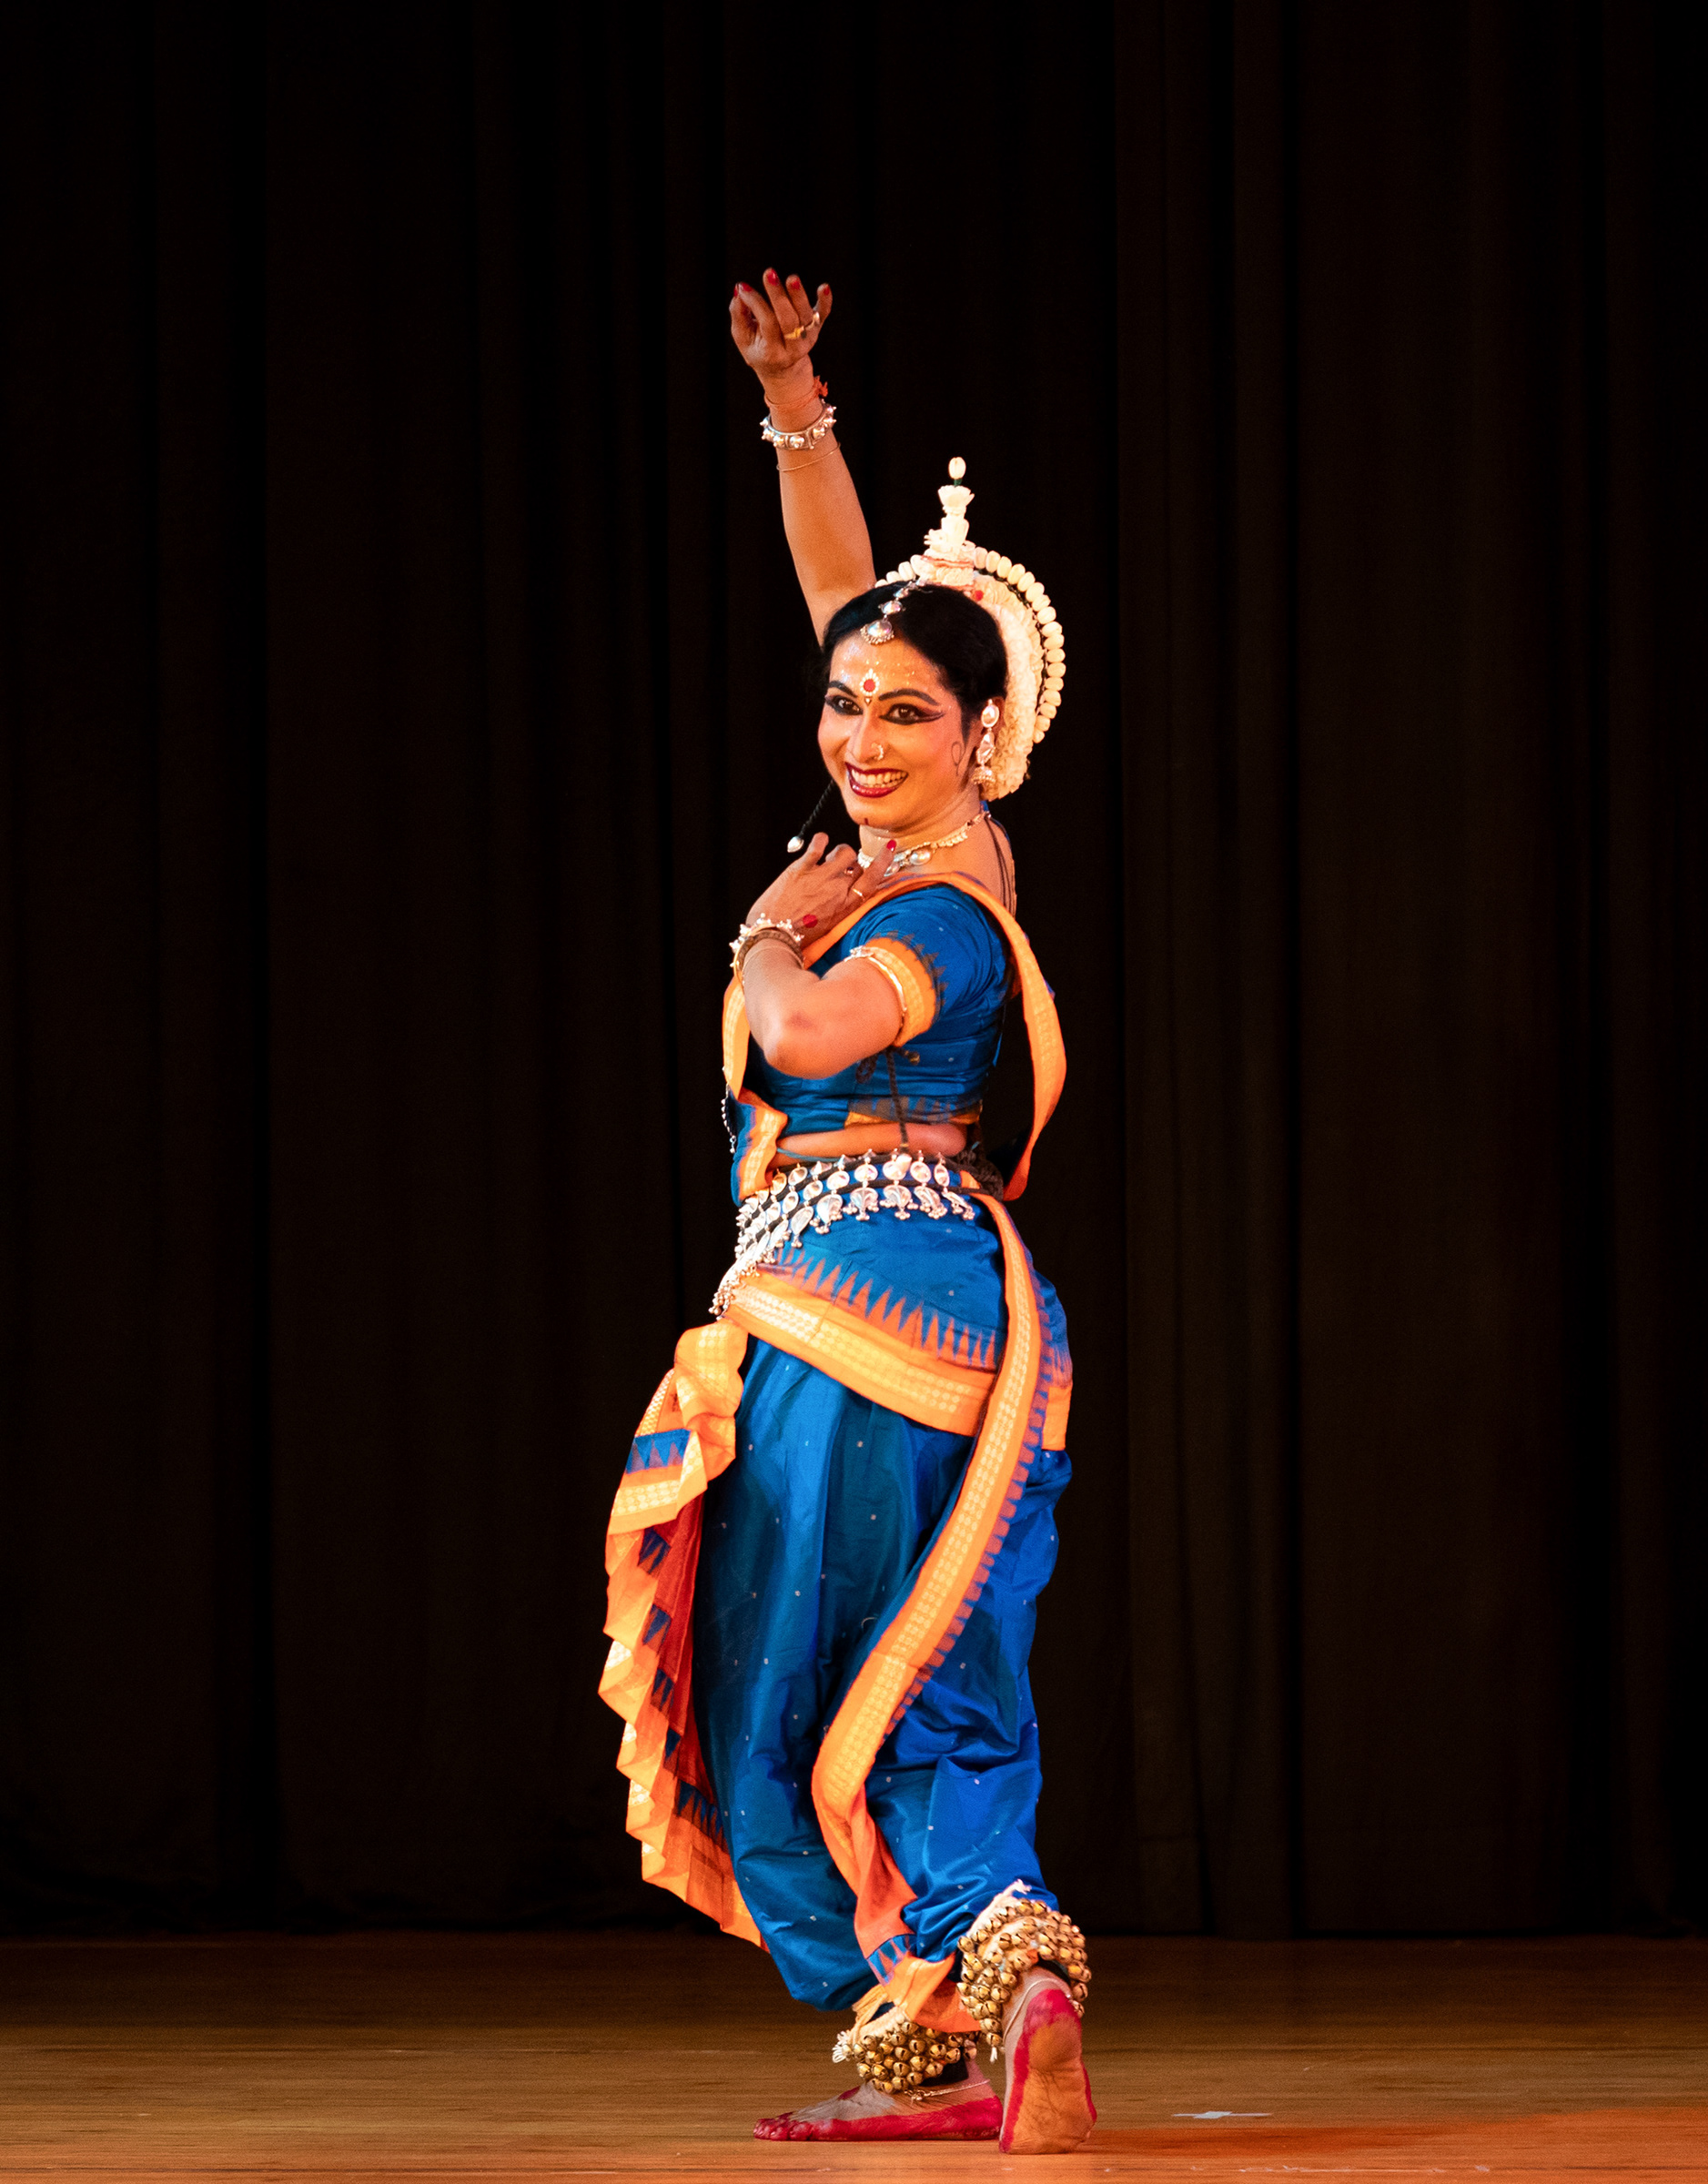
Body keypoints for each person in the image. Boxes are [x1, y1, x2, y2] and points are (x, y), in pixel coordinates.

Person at [599, 268, 1092, 2155]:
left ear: (982, 733)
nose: (858, 735)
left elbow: (802, 1033)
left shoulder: (925, 908)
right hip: (950, 1327)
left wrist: (764, 930)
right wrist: (800, 411)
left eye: (902, 713)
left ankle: (936, 1999)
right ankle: (1006, 1996)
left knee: (779, 1680)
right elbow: (856, 603)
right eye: (841, 706)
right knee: (927, 1663)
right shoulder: (932, 828)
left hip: (852, 1317)